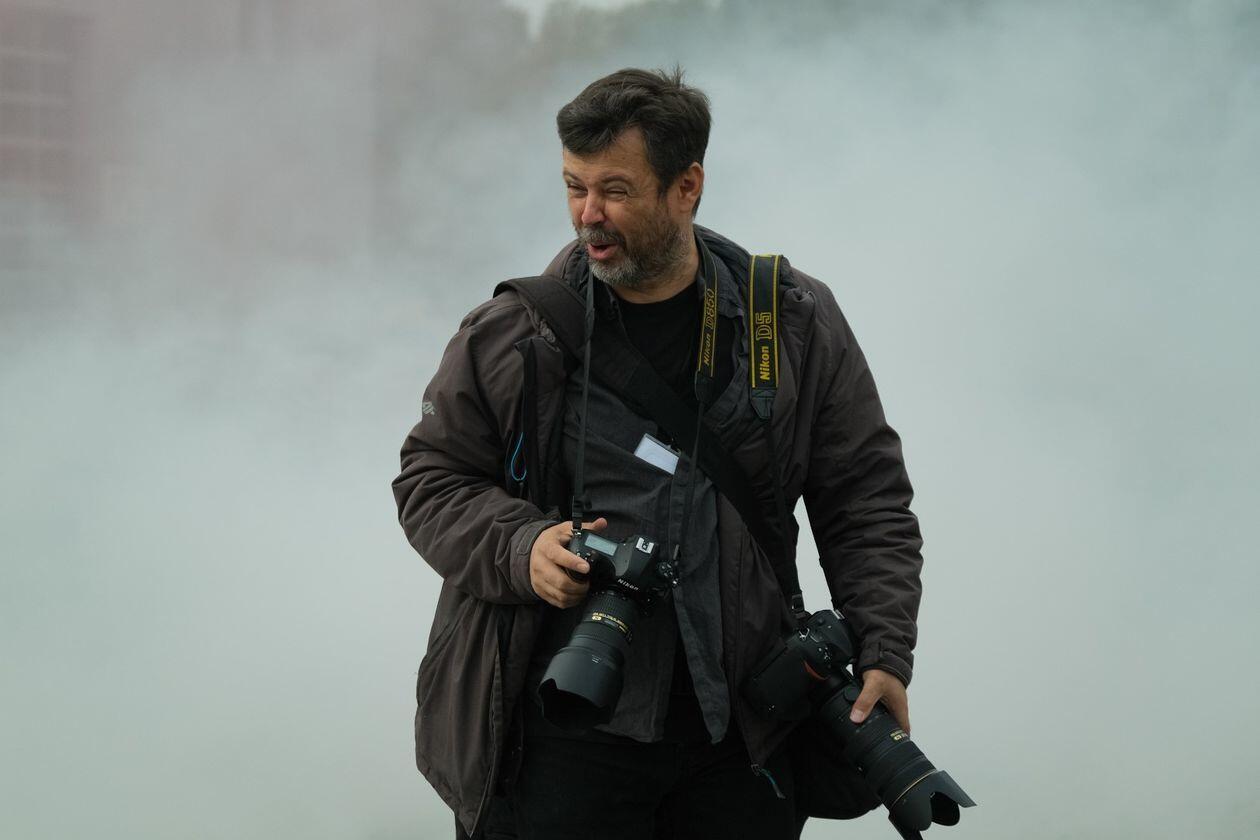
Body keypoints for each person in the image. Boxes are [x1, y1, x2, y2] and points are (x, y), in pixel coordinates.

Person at [392, 67, 923, 840]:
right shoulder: (518, 332)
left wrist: (884, 649)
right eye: (574, 187)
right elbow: (430, 480)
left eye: (615, 190)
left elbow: (865, 498)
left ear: (687, 186)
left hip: (744, 732)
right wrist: (524, 547)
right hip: (558, 729)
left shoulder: (791, 320)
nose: (588, 215)